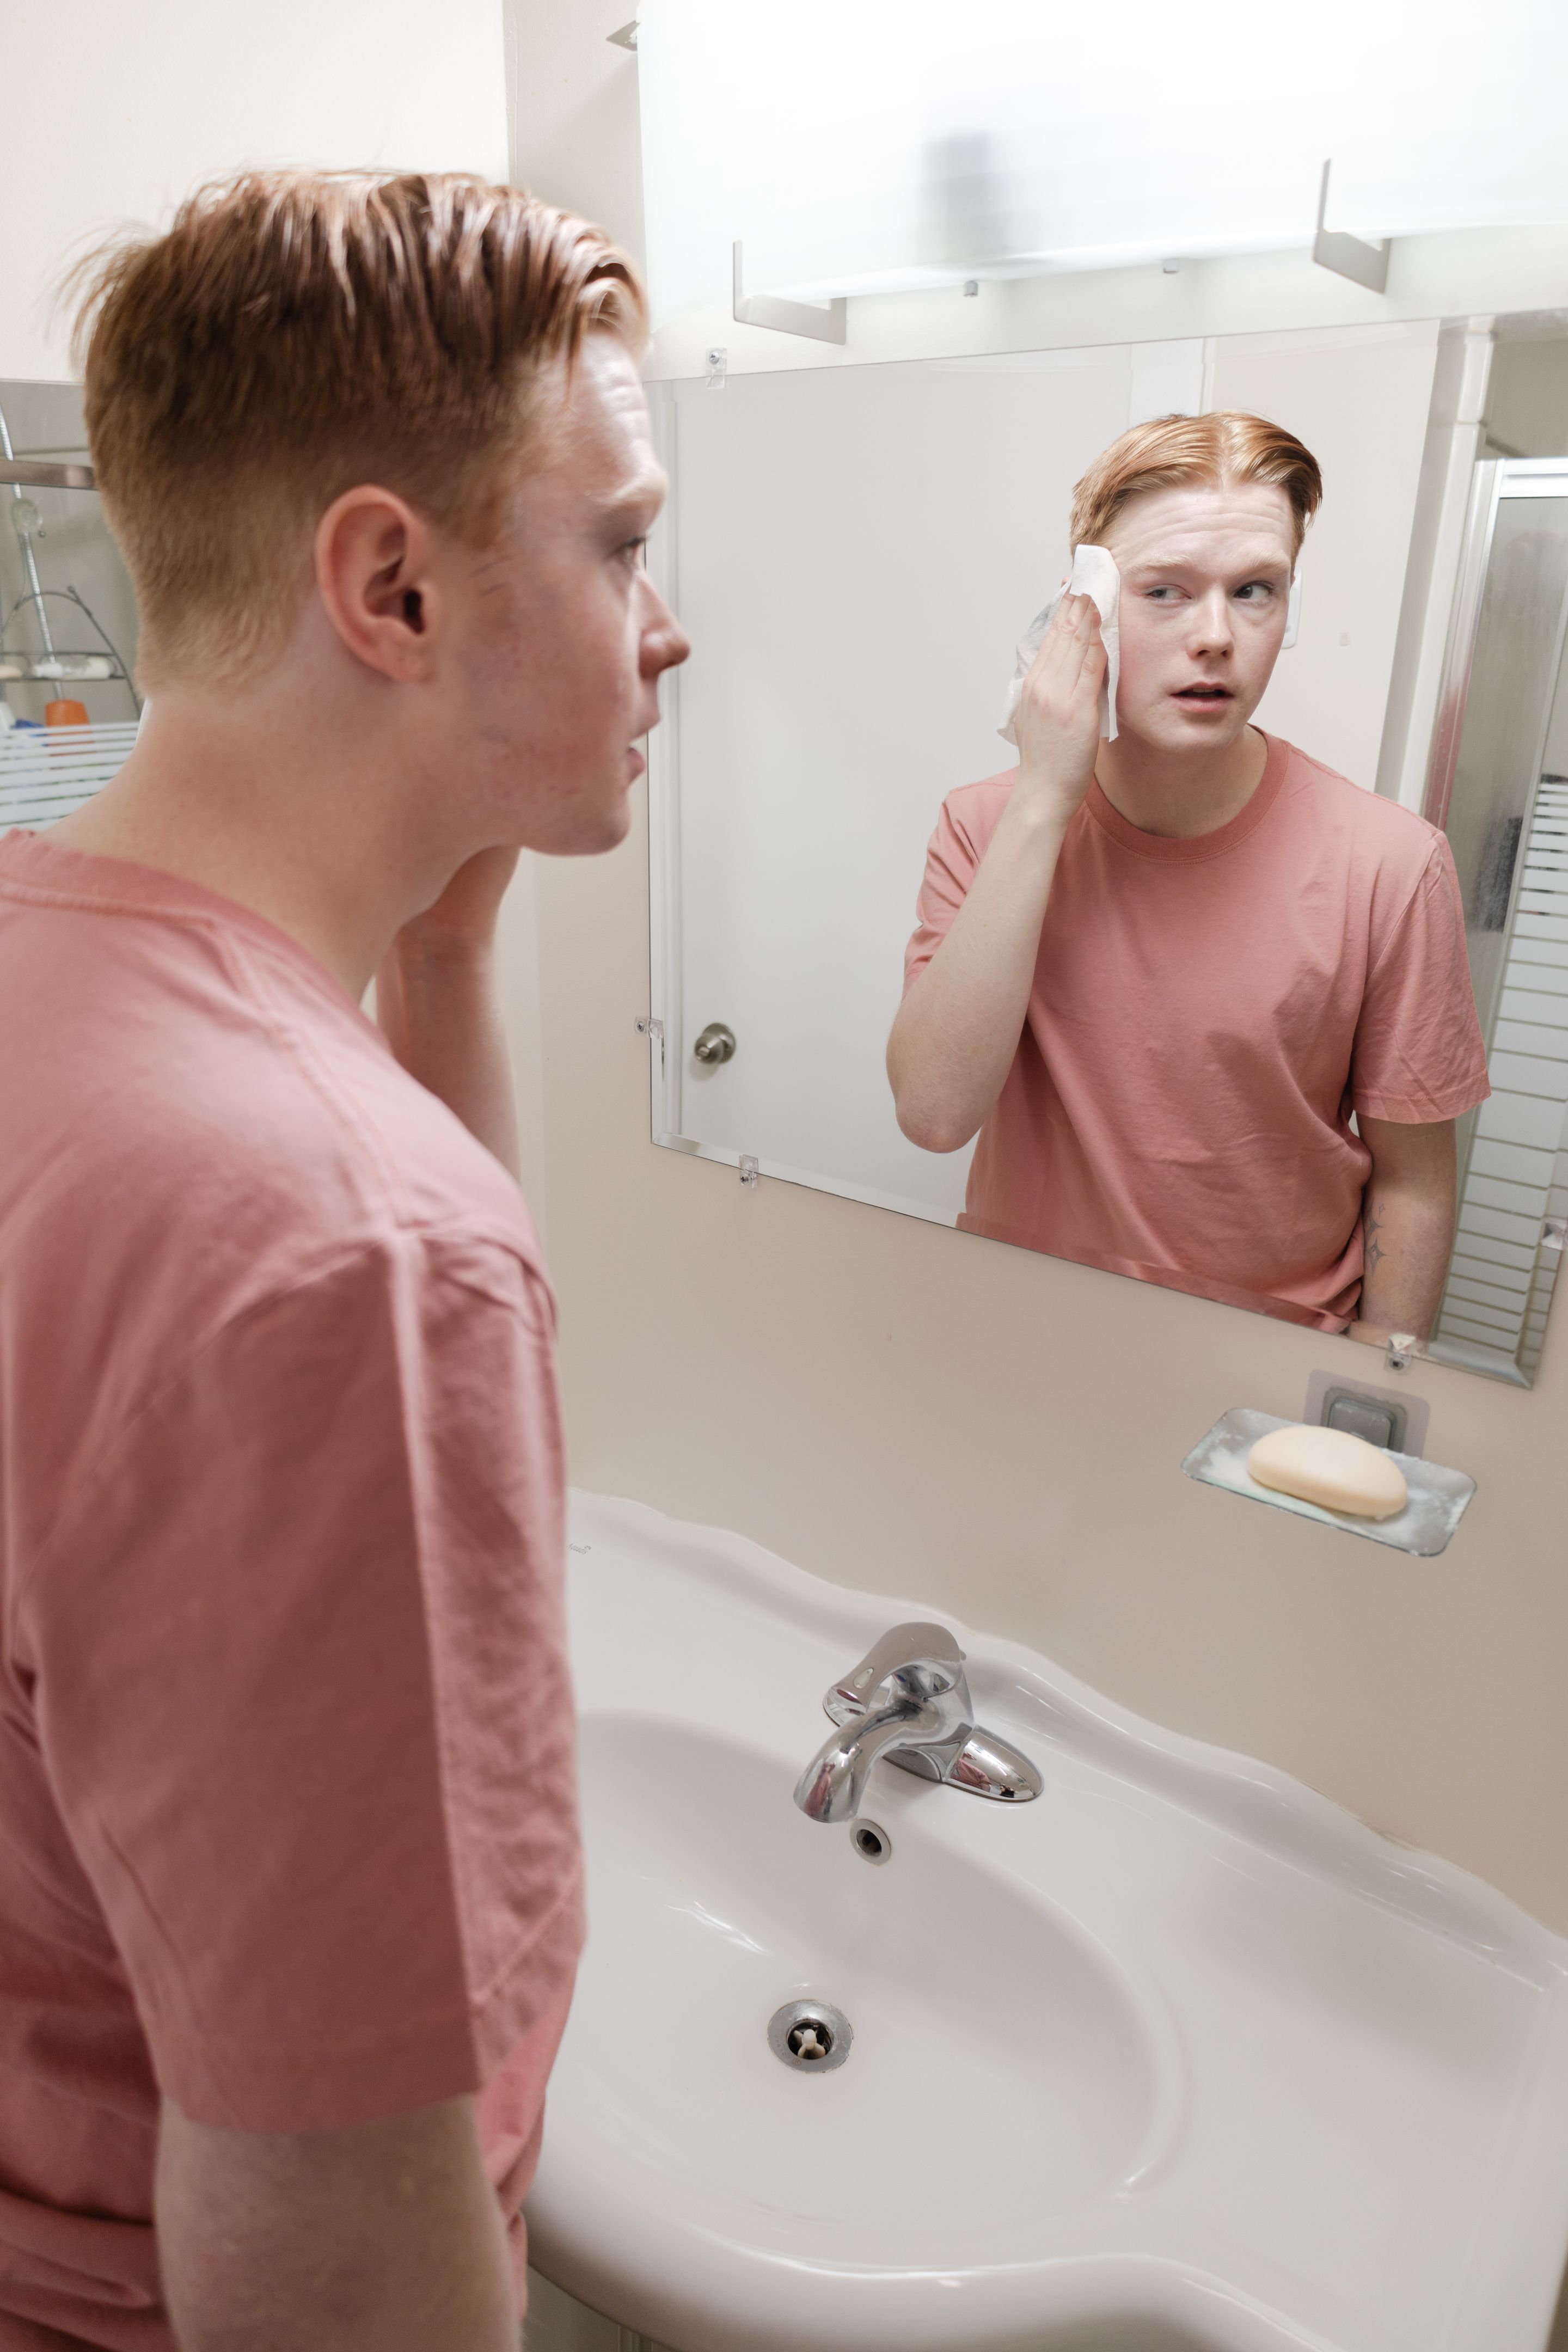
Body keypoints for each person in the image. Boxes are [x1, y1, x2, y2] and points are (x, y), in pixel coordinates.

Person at [0, 172, 688, 2350]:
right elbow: (331, 2238)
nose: (666, 623)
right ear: (391, 586)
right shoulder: (334, 1241)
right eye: (624, 542)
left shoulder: (59, 977)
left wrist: (440, 961)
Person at [887, 410, 1489, 1340]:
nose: (1216, 636)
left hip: (1269, 1371)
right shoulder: (984, 825)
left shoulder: (1393, 865)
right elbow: (933, 1113)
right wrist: (1048, 790)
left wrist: (1374, 1405)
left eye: (1255, 590)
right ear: (1081, 610)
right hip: (1017, 1340)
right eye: (1165, 592)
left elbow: (1413, 1184)